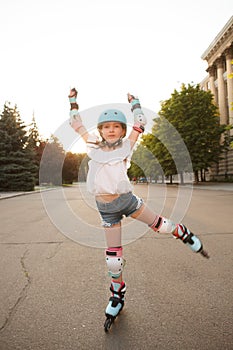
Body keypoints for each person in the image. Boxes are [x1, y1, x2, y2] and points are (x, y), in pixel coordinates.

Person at [68, 88, 209, 325]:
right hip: (105, 208)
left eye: (116, 126)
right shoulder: (92, 144)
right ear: (100, 130)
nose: (110, 129)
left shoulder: (126, 147)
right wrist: (73, 100)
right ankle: (117, 295)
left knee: (162, 226)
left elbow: (140, 122)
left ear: (122, 130)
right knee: (113, 258)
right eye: (106, 126)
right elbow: (75, 123)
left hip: (128, 201)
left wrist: (135, 104)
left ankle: (181, 232)